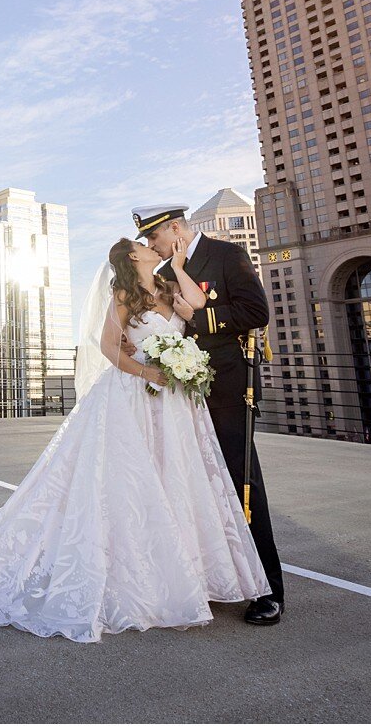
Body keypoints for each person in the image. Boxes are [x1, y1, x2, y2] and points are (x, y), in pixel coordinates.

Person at [0, 234, 270, 642]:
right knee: (126, 481)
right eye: (141, 245)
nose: (149, 246)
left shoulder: (167, 284)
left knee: (173, 477)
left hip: (176, 404)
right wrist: (150, 373)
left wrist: (178, 269)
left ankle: (180, 569)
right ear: (130, 258)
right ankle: (133, 574)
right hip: (136, 394)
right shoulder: (124, 296)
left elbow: (198, 307)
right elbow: (109, 348)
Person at [132, 203, 285, 625]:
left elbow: (256, 312)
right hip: (180, 394)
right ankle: (211, 577)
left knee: (240, 480)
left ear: (176, 229)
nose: (151, 245)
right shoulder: (163, 273)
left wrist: (197, 317)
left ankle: (267, 589)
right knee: (193, 485)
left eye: (154, 237)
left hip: (225, 386)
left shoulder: (226, 254)